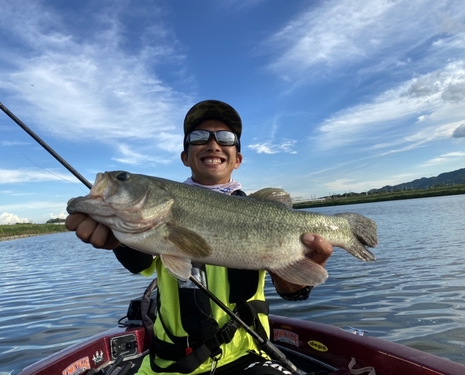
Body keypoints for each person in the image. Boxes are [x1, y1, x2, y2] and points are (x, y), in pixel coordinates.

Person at [65, 100, 333, 375]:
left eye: (226, 138)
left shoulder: (261, 213)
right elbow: (139, 261)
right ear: (185, 157)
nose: (213, 144)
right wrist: (118, 237)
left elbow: (291, 292)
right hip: (170, 365)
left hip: (248, 355)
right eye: (199, 137)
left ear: (238, 159)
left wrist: (303, 273)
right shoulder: (153, 216)